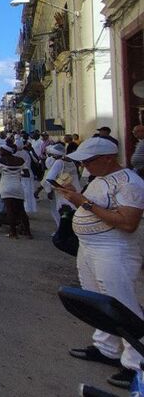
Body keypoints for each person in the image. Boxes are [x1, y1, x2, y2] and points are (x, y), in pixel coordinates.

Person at [55, 137, 144, 390]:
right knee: (96, 299)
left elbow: (128, 223)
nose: (84, 165)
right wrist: (76, 197)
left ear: (107, 158)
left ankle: (136, 362)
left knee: (123, 303)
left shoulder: (130, 183)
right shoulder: (99, 180)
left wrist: (84, 203)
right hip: (90, 249)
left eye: (88, 161)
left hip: (115, 251)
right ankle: (107, 347)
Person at [0, 143, 30, 238]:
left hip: (5, 187)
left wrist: (5, 173)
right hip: (18, 186)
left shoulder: (1, 160)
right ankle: (28, 232)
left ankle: (13, 233)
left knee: (10, 210)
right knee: (21, 210)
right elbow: (27, 174)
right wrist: (16, 174)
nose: (0, 152)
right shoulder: (20, 160)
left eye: (1, 150)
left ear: (6, 151)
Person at [42, 143, 80, 228]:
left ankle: (63, 234)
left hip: (64, 193)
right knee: (73, 214)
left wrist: (52, 189)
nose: (52, 157)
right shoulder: (71, 161)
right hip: (75, 191)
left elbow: (49, 179)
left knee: (64, 215)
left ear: (56, 155)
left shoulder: (59, 162)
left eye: (53, 155)